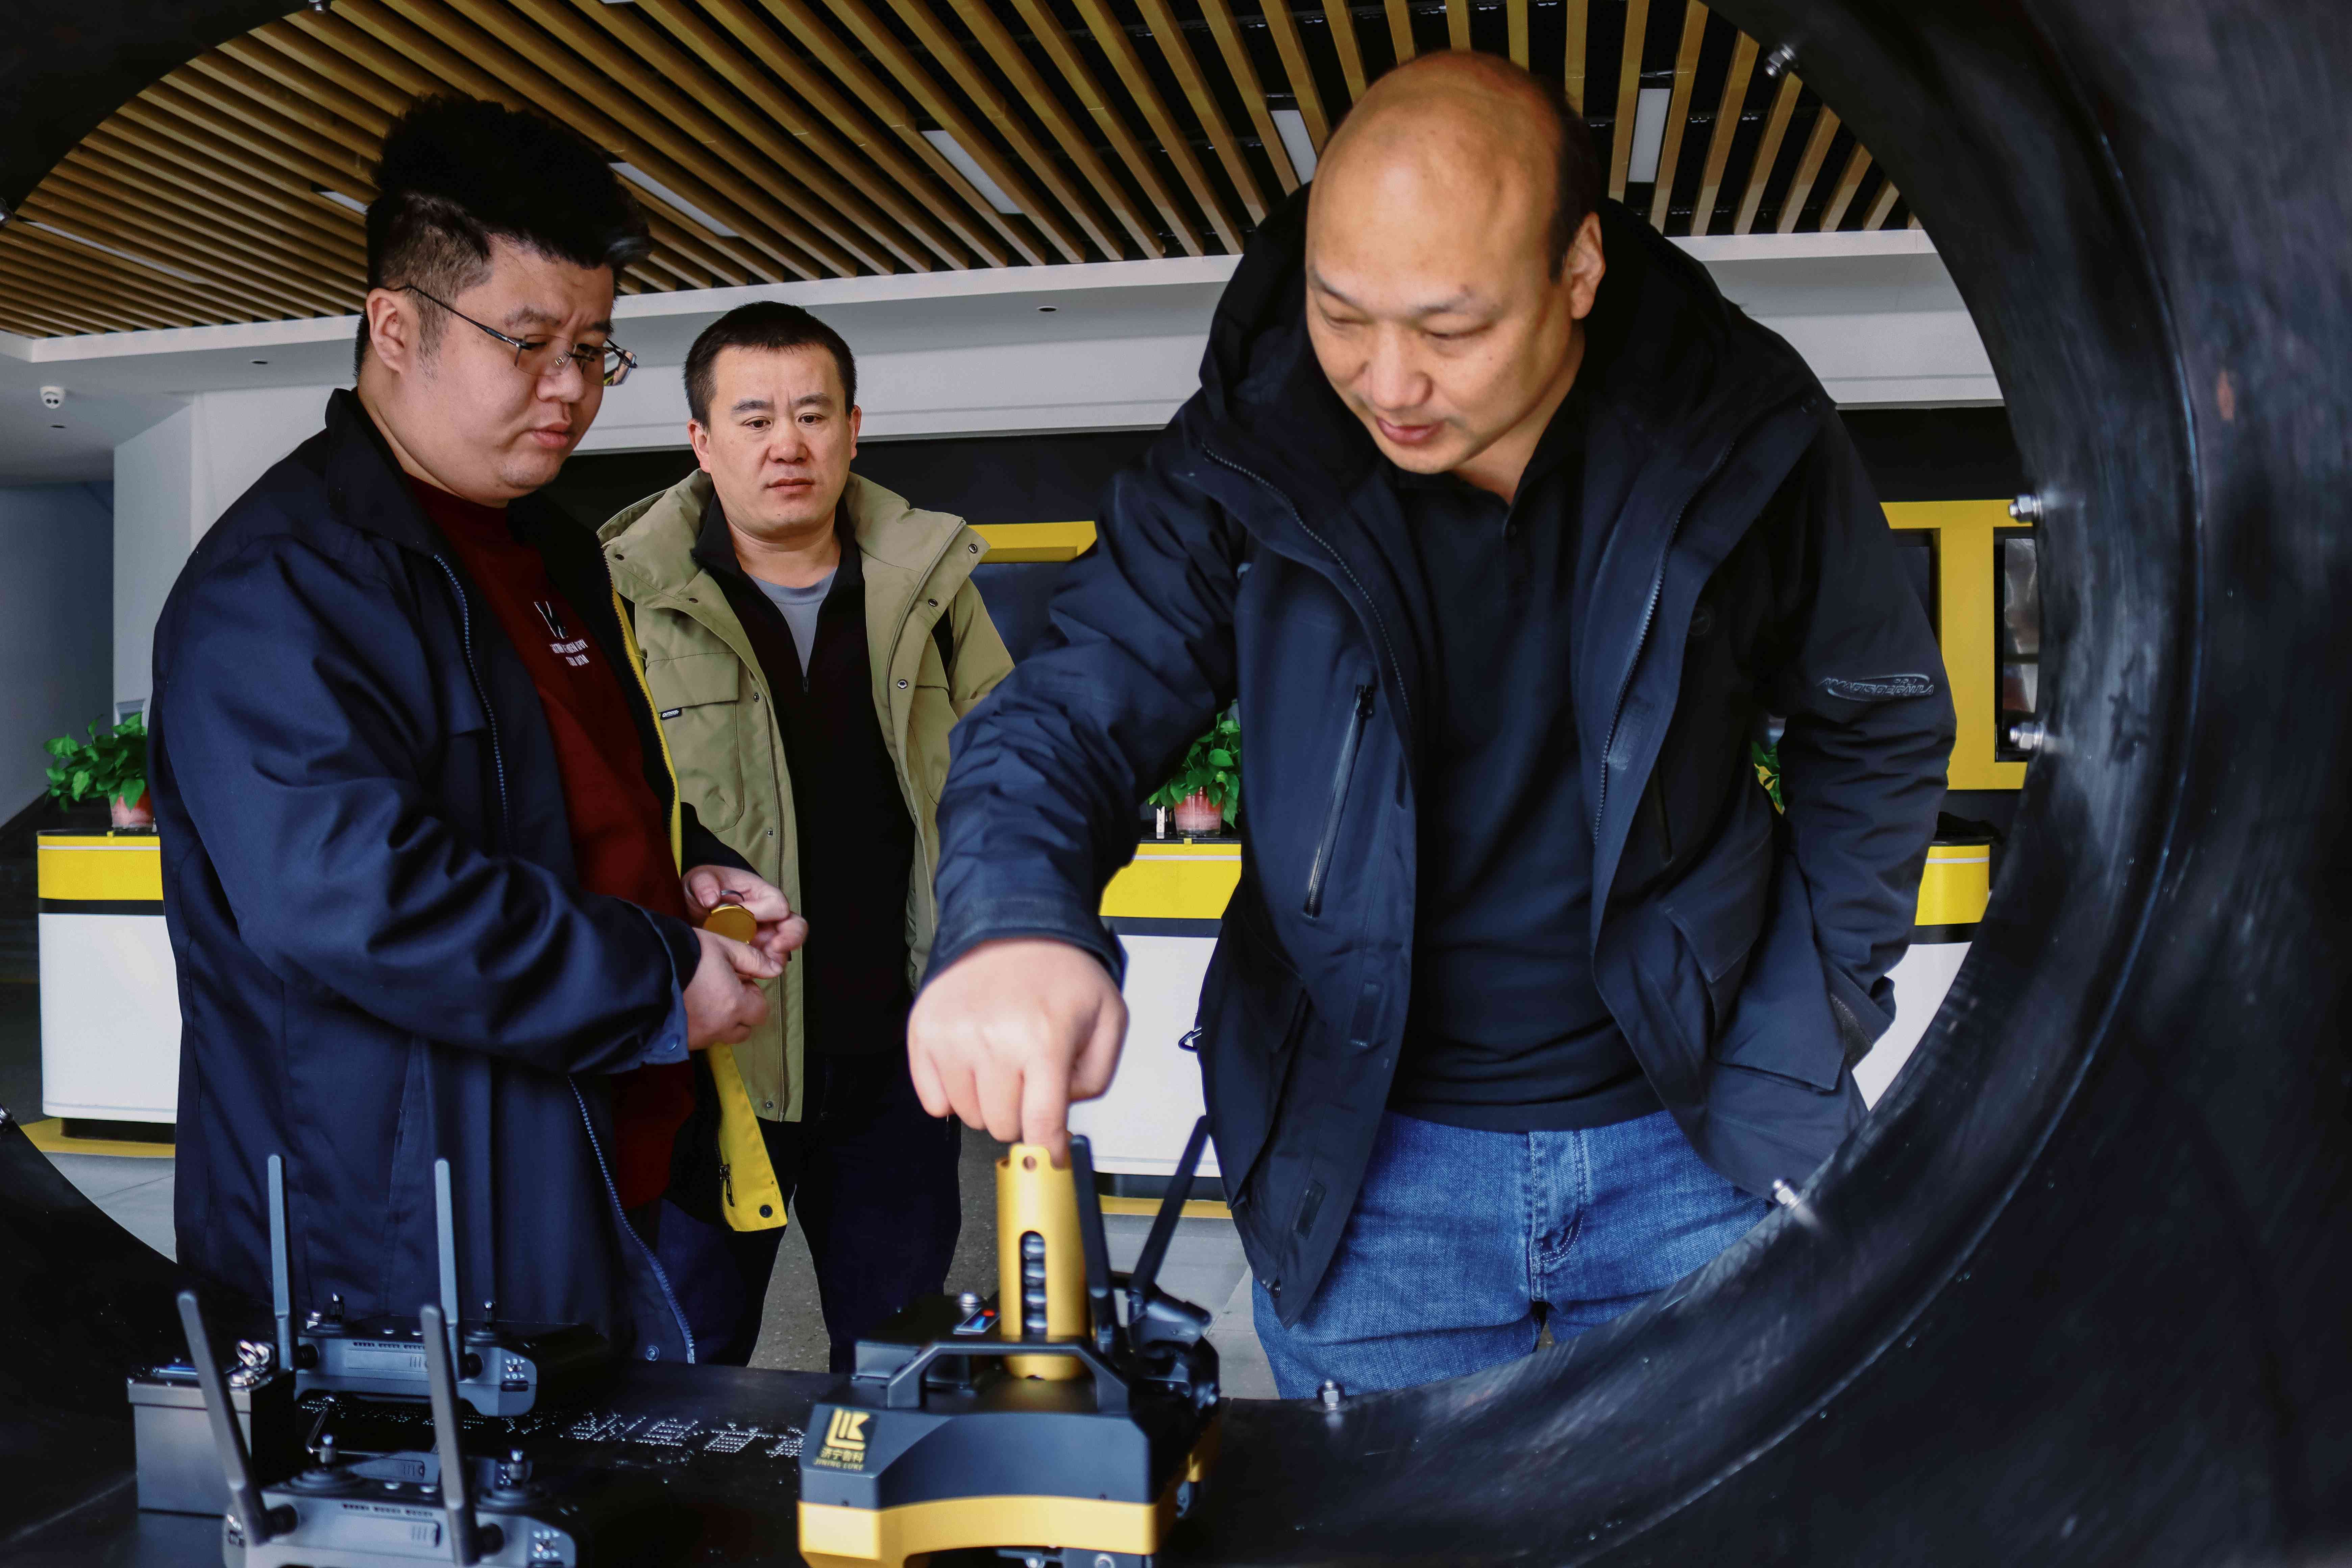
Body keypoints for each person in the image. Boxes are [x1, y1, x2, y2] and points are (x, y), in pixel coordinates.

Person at [910, 52, 1956, 1398]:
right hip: (1370, 1187)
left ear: (1578, 273)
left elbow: (1877, 727)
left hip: (1699, 1155)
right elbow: (1069, 707)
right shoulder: (1249, 449)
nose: (1387, 382)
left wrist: (1803, 1028)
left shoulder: (1744, 432)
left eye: (1450, 331)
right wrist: (1013, 918)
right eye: (1342, 314)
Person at [151, 98, 805, 1363]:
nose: (570, 389)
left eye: (595, 349)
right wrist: (656, 976)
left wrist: (691, 875)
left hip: (595, 1166)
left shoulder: (552, 551)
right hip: (407, 1250)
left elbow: (573, 797)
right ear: (397, 326)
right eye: (529, 343)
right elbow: (356, 899)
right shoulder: (281, 582)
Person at [599, 303, 1012, 1368]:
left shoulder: (932, 592)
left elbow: (1011, 780)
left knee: (894, 1370)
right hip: (708, 1065)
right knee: (686, 1370)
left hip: (892, 1065)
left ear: (853, 430)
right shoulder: (627, 602)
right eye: (754, 419)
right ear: (702, 442)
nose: (787, 443)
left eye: (813, 414)